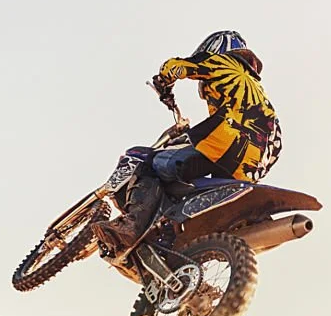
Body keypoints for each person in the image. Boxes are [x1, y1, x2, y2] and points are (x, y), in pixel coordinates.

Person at [92, 30, 282, 254]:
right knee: (188, 181)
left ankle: (131, 226)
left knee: (152, 163)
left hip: (230, 144)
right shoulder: (255, 90)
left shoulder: (225, 63)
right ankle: (173, 236)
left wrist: (164, 82)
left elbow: (178, 66)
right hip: (254, 164)